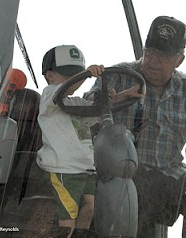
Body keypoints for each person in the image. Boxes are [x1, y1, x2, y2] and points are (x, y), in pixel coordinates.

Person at [85, 16, 186, 237]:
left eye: (164, 56)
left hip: (168, 180)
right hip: (123, 176)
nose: (153, 61)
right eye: (150, 51)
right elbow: (85, 113)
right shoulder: (118, 76)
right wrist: (111, 100)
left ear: (179, 60)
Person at [36, 45, 143, 238]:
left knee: (90, 208)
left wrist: (124, 95)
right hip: (64, 168)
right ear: (49, 75)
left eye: (75, 74)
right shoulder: (49, 96)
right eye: (67, 74)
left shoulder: (75, 103)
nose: (72, 79)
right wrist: (85, 74)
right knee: (68, 216)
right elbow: (65, 89)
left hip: (85, 168)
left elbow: (98, 110)